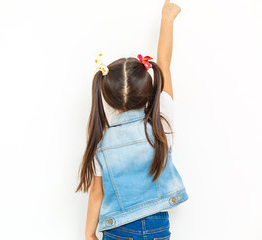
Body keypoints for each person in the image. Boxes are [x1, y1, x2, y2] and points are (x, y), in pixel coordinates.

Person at [75, 0, 187, 239]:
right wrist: (167, 18)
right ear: (147, 89)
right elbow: (164, 64)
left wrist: (88, 234)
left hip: (118, 229)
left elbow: (97, 192)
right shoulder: (161, 121)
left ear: (108, 95)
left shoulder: (101, 138)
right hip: (158, 226)